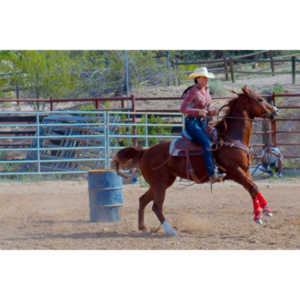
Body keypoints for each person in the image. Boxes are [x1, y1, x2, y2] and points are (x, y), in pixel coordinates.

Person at [180, 67, 225, 184]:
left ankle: (219, 167)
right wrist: (197, 112)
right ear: (197, 79)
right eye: (204, 77)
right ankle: (211, 174)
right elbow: (183, 109)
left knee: (218, 138)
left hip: (203, 122)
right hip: (192, 123)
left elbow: (206, 107)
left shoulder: (207, 90)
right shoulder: (192, 91)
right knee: (206, 142)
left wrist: (211, 111)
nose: (206, 79)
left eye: (206, 77)